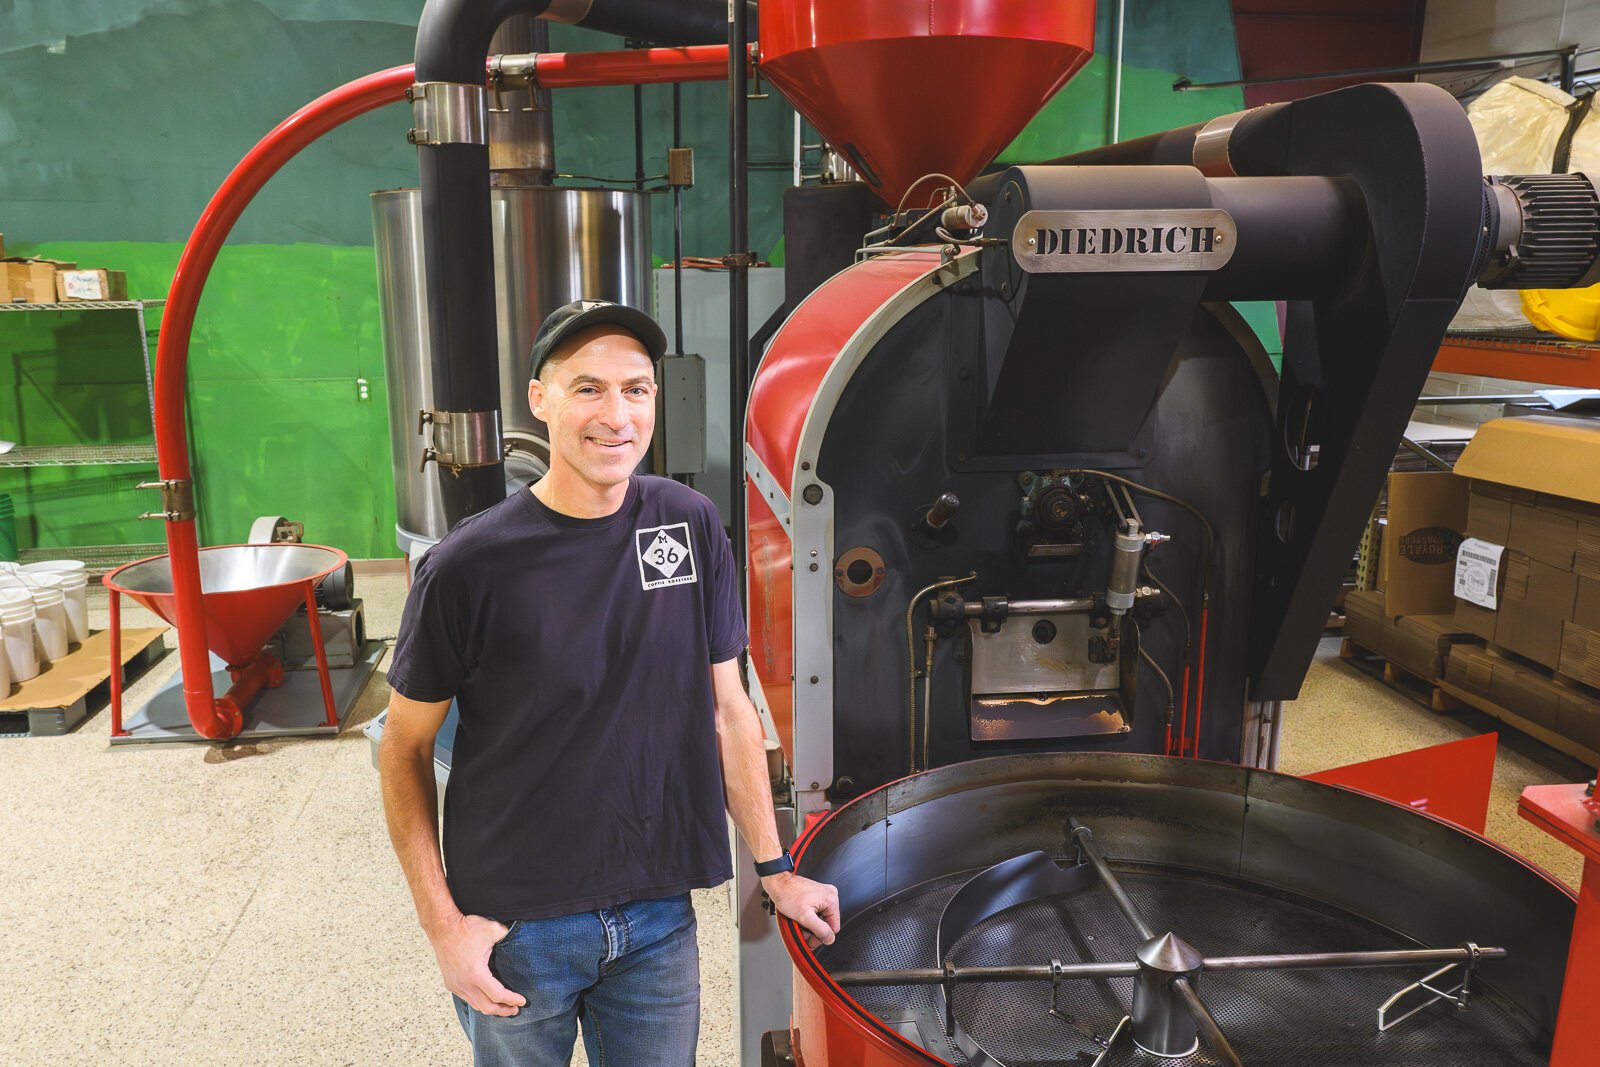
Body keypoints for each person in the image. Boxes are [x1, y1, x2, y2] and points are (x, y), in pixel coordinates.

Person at [379, 299, 840, 1067]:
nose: (616, 414)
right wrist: (443, 927)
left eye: (636, 389)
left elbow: (728, 711)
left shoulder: (688, 525)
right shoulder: (468, 567)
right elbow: (402, 749)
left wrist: (776, 868)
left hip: (658, 913)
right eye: (587, 388)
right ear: (540, 400)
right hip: (518, 927)